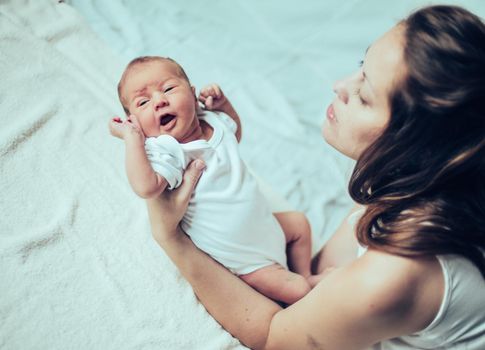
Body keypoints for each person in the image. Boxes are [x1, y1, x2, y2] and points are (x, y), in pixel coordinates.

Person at [144, 5, 485, 350]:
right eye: (360, 68)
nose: (339, 86)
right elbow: (321, 277)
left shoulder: (394, 274)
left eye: (365, 97)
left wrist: (171, 238)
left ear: (420, 146)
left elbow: (276, 337)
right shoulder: (421, 177)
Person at [109, 56, 322, 305]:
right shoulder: (168, 150)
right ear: (136, 123)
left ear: (191, 93)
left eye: (168, 88)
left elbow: (235, 134)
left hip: (266, 225)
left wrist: (224, 106)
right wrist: (132, 139)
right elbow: (146, 187)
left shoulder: (211, 120)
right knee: (299, 291)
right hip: (242, 259)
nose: (159, 101)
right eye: (143, 102)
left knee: (299, 224)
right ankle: (303, 283)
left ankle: (306, 273)